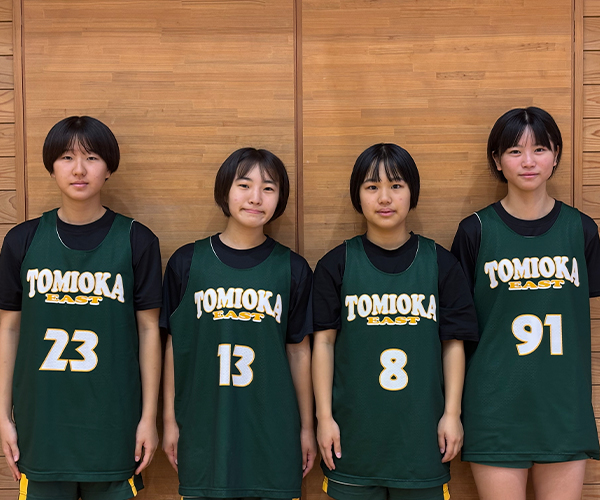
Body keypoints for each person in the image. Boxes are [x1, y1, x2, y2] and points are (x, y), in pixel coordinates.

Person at [0, 116, 162, 499]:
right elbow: (8, 329)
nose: (78, 169)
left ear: (108, 168)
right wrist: (3, 415)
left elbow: (149, 331)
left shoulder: (137, 240)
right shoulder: (22, 240)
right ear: (51, 167)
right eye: (66, 157)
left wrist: (148, 418)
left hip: (114, 427)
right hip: (41, 427)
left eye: (91, 157)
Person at [312, 143, 478, 500]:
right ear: (357, 195)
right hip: (352, 440)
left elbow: (453, 344)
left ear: (412, 192)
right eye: (372, 187)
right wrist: (324, 418)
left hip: (422, 440)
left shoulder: (442, 264)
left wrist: (452, 413)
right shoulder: (335, 264)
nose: (384, 197)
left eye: (396, 185)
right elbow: (323, 344)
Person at [451, 106, 600, 500]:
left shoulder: (582, 230)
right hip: (495, 406)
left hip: (564, 406)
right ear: (497, 160)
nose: (529, 161)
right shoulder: (474, 231)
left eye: (540, 149)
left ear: (556, 155)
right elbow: (457, 331)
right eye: (515, 151)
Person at [161, 147, 316, 499]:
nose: (255, 197)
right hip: (205, 430)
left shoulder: (292, 268)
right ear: (225, 191)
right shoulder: (187, 262)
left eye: (268, 188)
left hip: (273, 432)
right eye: (244, 185)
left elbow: (299, 354)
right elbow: (174, 348)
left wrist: (307, 427)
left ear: (280, 198)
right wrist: (169, 421)